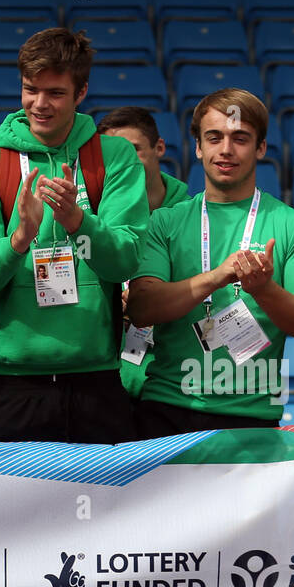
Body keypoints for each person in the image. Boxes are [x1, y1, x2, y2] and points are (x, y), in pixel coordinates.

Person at [0, 27, 148, 444]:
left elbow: (126, 261)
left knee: (111, 510)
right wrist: (18, 240)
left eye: (55, 93)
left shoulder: (113, 157)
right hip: (12, 384)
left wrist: (80, 222)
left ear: (81, 93)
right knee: (6, 510)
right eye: (30, 90)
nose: (39, 104)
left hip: (97, 382)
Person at [128, 88, 294, 438]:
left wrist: (265, 291)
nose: (226, 150)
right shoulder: (165, 222)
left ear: (261, 148)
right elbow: (142, 308)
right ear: (198, 147)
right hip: (167, 410)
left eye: (240, 138)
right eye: (214, 137)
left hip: (254, 416)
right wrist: (216, 277)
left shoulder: (291, 224)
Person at [96, 106, 191, 402]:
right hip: (103, 383)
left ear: (159, 148)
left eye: (133, 149)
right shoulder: (87, 218)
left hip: (169, 386)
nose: (123, 161)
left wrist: (150, 301)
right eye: (112, 153)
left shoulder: (192, 219)